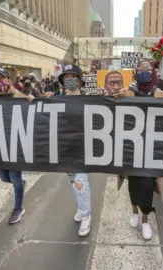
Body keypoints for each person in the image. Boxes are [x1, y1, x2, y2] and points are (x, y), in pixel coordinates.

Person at [113, 60, 163, 240]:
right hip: (132, 149)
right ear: (136, 72)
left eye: (148, 69)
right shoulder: (127, 91)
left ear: (153, 72)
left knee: (148, 186)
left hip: (151, 150)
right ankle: (133, 210)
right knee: (133, 183)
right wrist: (115, 99)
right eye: (141, 69)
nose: (144, 72)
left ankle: (145, 219)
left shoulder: (160, 93)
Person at [0, 67, 34, 224]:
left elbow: (30, 104)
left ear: (7, 80)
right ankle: (20, 183)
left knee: (14, 177)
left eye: (1, 77)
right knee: (4, 177)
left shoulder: (16, 95)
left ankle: (18, 208)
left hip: (15, 142)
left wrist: (29, 98)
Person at [58, 64, 92, 237]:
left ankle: (86, 215)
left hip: (83, 149)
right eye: (66, 77)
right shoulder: (55, 100)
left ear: (80, 80)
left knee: (80, 182)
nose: (69, 80)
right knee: (74, 182)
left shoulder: (90, 100)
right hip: (65, 149)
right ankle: (81, 207)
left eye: (73, 76)